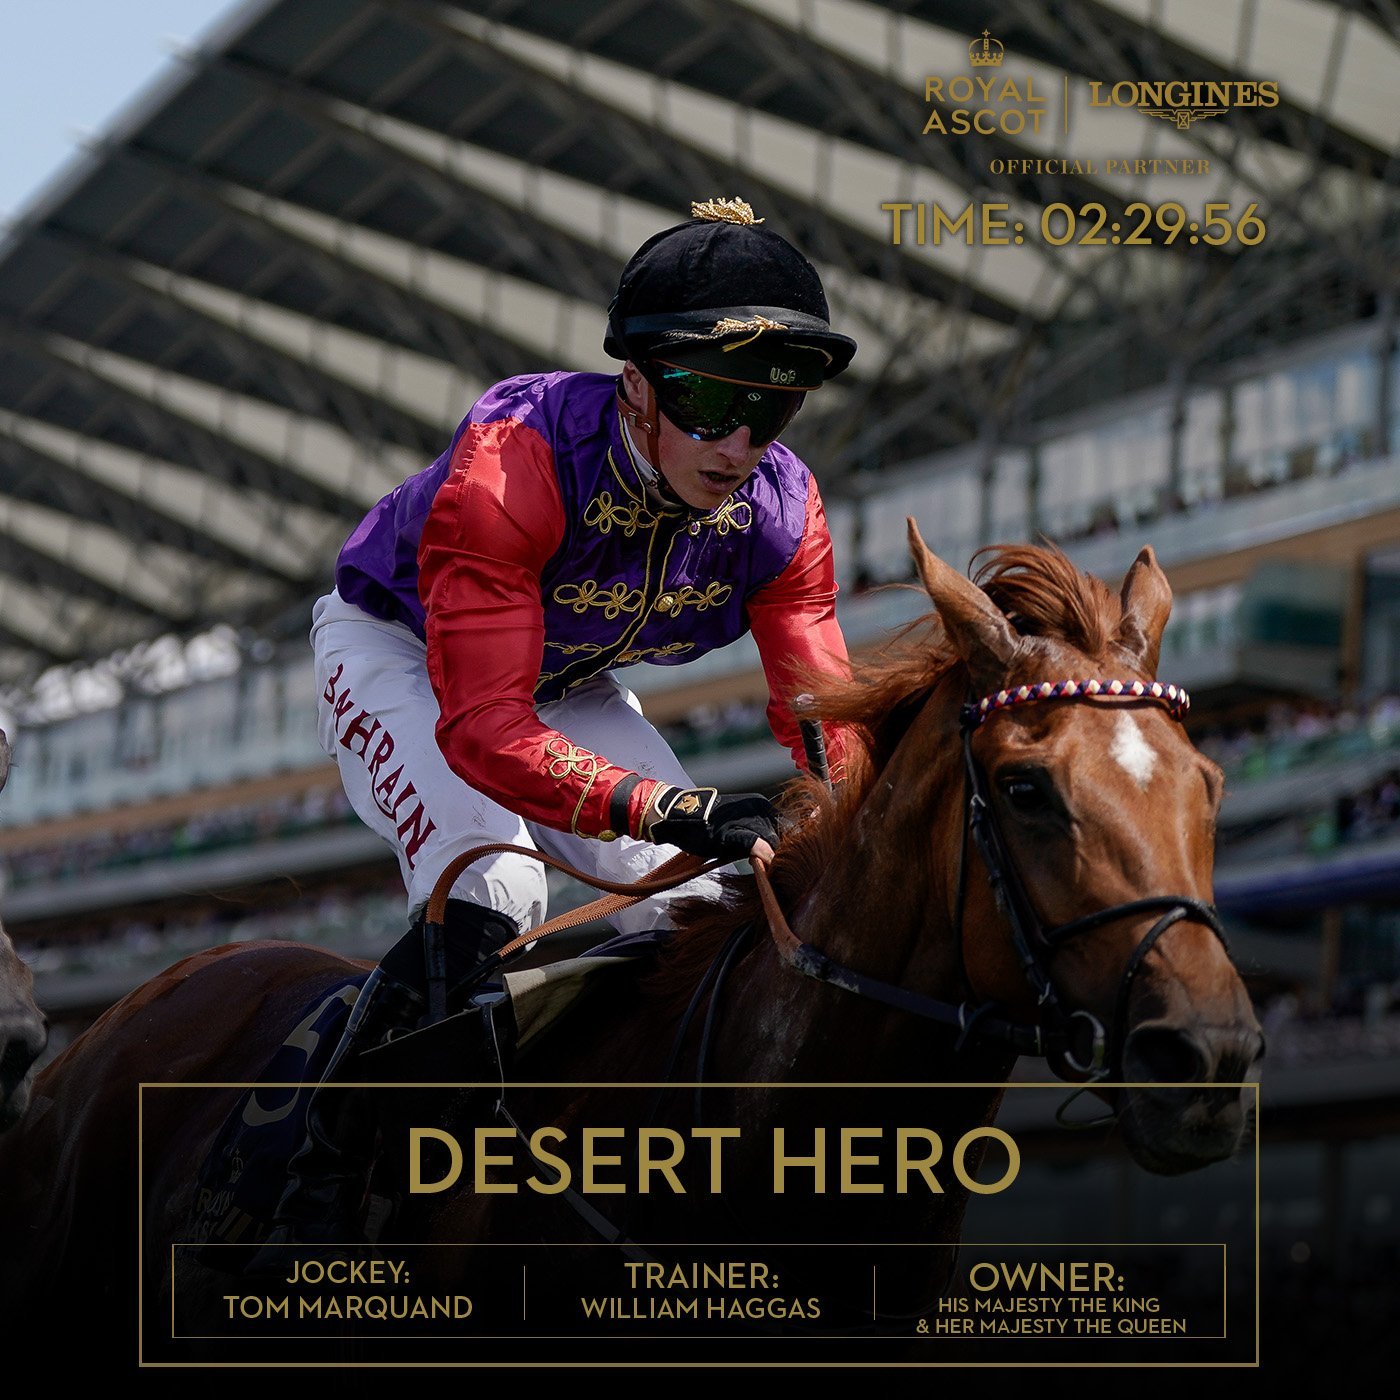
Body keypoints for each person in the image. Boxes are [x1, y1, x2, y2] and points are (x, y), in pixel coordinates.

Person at [266, 196, 858, 1245]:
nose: (736, 444)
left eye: (769, 409)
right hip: (402, 652)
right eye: (706, 400)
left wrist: (855, 821)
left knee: (698, 905)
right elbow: (483, 729)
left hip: (567, 677)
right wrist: (673, 805)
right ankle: (315, 1170)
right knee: (494, 882)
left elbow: (821, 714)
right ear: (636, 382)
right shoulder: (517, 457)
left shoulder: (782, 508)